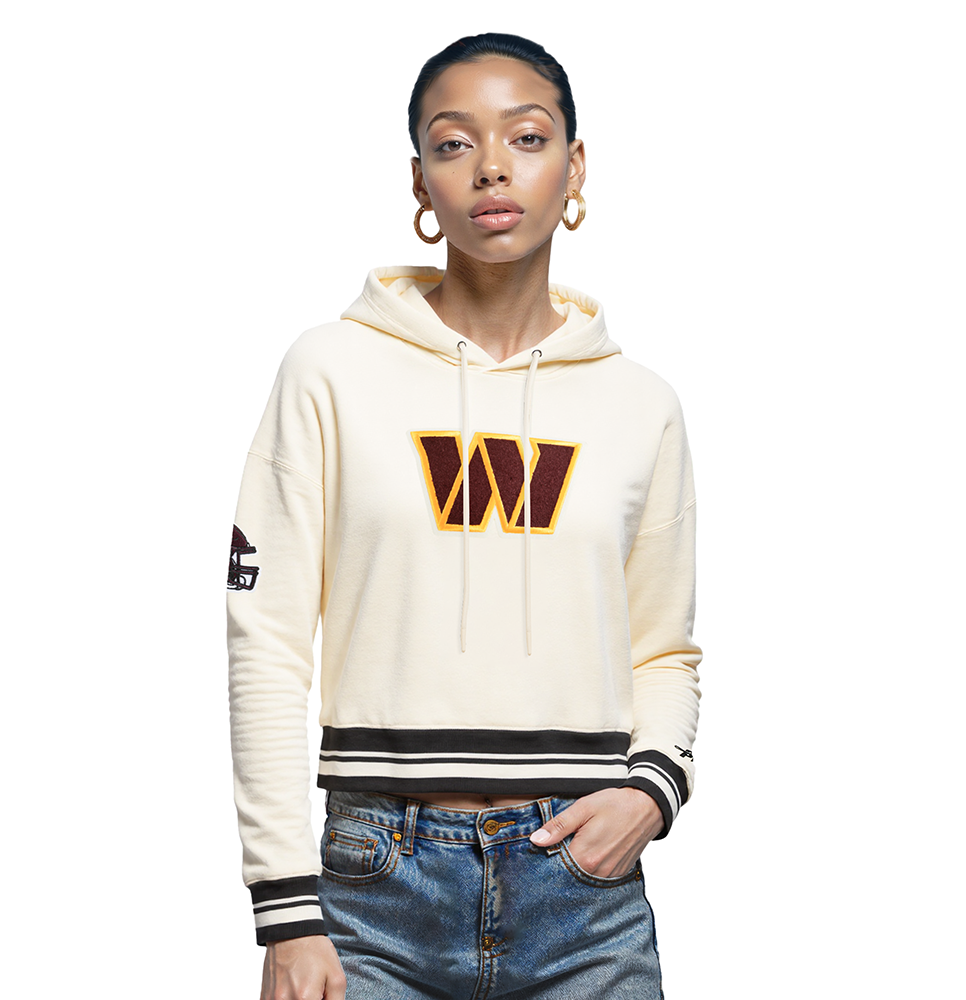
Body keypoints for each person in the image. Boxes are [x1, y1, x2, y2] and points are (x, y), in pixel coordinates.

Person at [228, 32, 702, 1000]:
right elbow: (265, 639)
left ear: (574, 166)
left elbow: (664, 648)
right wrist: (286, 907)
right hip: (372, 887)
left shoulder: (639, 402)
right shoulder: (330, 369)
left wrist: (652, 791)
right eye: (454, 143)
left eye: (526, 137)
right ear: (420, 180)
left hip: (583, 891)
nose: (491, 166)